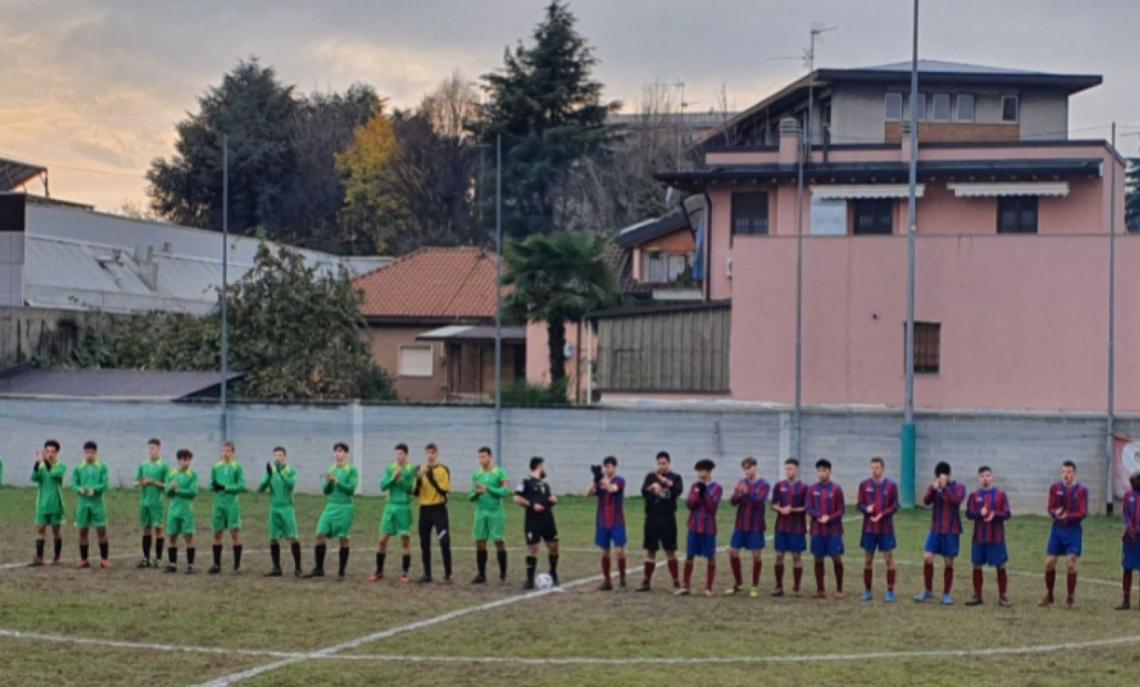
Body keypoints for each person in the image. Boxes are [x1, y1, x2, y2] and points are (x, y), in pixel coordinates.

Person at [914, 461, 966, 605]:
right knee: (927, 557)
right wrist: (932, 488)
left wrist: (946, 489)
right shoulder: (935, 486)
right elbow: (925, 501)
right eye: (937, 477)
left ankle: (946, 594)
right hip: (935, 529)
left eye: (942, 477)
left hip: (951, 530)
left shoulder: (960, 487)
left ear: (949, 476)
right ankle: (928, 590)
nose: (940, 479)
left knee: (949, 562)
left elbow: (956, 501)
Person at [1041, 460, 1088, 609]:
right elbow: (1050, 507)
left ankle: (1070, 598)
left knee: (1071, 564)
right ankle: (1049, 595)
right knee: (1049, 563)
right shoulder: (1055, 488)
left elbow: (1083, 512)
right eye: (1063, 472)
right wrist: (1056, 513)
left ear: (1074, 473)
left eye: (1068, 472)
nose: (1065, 475)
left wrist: (1067, 516)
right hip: (1057, 530)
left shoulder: (1081, 490)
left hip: (1073, 530)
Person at [307, 442, 358, 580]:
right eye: (336, 451)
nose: (337, 454)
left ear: (346, 454)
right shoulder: (331, 468)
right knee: (319, 533)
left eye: (340, 451)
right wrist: (329, 482)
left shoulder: (351, 470)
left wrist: (337, 482)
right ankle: (319, 568)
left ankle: (341, 572)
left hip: (345, 507)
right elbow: (326, 491)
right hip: (331, 505)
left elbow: (351, 489)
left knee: (344, 538)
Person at [965, 465, 1012, 607]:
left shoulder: (1000, 495)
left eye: (987, 475)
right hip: (979, 538)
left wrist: (994, 515)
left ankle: (1003, 596)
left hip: (996, 538)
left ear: (992, 477)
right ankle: (977, 596)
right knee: (976, 565)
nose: (985, 478)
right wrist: (980, 513)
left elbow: (1007, 514)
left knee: (1001, 565)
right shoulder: (974, 496)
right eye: (982, 476)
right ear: (979, 479)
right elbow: (968, 514)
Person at [371, 443, 416, 584]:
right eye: (396, 454)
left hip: (403, 507)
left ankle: (405, 573)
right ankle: (379, 571)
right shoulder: (390, 468)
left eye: (401, 454)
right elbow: (383, 486)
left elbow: (410, 489)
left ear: (406, 455)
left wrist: (401, 479)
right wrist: (392, 478)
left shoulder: (411, 469)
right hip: (390, 506)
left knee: (405, 540)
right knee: (382, 540)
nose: (398, 457)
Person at [638, 451, 683, 592]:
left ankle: (676, 580)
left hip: (668, 517)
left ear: (669, 463)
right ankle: (646, 581)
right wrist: (652, 487)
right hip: (652, 517)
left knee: (670, 550)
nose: (661, 466)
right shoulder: (650, 477)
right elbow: (643, 492)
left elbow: (677, 491)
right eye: (659, 463)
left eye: (664, 463)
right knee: (651, 550)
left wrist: (664, 482)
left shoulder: (676, 477)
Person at [725, 457, 769, 598]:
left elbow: (759, 501)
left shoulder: (764, 484)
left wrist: (747, 493)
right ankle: (738, 584)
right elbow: (732, 502)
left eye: (749, 468)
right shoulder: (741, 483)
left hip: (755, 526)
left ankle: (754, 586)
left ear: (755, 467)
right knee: (733, 552)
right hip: (741, 525)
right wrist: (737, 493)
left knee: (756, 555)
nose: (747, 471)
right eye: (745, 469)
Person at [514, 456, 560, 590]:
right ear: (539, 466)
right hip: (533, 521)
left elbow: (547, 502)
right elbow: (517, 498)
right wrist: (532, 505)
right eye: (544, 466)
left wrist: (552, 500)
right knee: (533, 548)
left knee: (554, 546)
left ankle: (553, 572)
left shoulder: (545, 485)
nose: (545, 469)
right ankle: (529, 580)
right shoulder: (525, 482)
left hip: (547, 519)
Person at [678, 458, 722, 597]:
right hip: (694, 525)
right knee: (689, 556)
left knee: (711, 557)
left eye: (702, 471)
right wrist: (698, 494)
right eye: (698, 471)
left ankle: (708, 587)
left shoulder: (716, 488)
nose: (700, 474)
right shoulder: (695, 486)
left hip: (708, 527)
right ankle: (686, 586)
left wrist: (705, 494)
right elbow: (690, 504)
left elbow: (712, 507)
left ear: (709, 472)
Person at [857, 457, 899, 602]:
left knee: (889, 560)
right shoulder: (864, 485)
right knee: (868, 561)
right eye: (872, 468)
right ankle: (868, 591)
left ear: (883, 469)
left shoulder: (891, 486)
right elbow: (859, 505)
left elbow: (895, 506)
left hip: (885, 529)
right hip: (869, 529)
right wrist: (866, 509)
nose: (874, 471)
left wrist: (883, 514)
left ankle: (890, 591)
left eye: (877, 468)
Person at [257, 446, 302, 577]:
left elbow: (290, 485)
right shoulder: (271, 472)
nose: (278, 458)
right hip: (274, 508)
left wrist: (280, 473)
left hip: (287, 507)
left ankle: (298, 567)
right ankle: (276, 567)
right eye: (276, 455)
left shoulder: (290, 470)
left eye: (280, 455)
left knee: (293, 537)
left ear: (285, 457)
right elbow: (261, 488)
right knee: (273, 538)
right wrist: (268, 476)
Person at [469, 447, 510, 584]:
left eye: (484, 456)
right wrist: (476, 494)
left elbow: (505, 491)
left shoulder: (500, 472)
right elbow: (470, 496)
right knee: (480, 542)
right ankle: (481, 574)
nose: (482, 460)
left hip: (495, 512)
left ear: (490, 457)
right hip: (480, 513)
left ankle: (503, 575)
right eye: (480, 457)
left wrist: (489, 489)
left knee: (499, 541)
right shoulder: (477, 475)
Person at [807, 459, 846, 599]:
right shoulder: (812, 489)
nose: (821, 473)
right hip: (817, 530)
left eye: (824, 470)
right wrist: (818, 516)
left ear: (830, 471)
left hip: (834, 530)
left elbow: (841, 510)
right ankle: (820, 590)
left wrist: (829, 518)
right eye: (819, 470)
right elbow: (809, 507)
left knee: (837, 559)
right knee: (818, 559)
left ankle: (839, 589)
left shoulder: (836, 489)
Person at [414, 442, 452, 584]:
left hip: (439, 509)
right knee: (424, 543)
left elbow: (444, 491)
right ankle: (427, 573)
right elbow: (415, 493)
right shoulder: (419, 469)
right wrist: (418, 480)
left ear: (437, 454)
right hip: (424, 510)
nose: (430, 456)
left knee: (444, 541)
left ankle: (448, 572)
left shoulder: (443, 470)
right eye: (428, 453)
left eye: (432, 452)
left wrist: (430, 477)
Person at [587, 456, 627, 591]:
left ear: (615, 467)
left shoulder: (620, 480)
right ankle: (607, 581)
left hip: (617, 521)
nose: (607, 469)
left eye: (609, 467)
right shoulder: (600, 482)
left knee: (619, 550)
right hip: (602, 521)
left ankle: (622, 578)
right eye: (605, 467)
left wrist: (602, 479)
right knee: (605, 552)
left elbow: (612, 489)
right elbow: (587, 494)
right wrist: (594, 480)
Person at [770, 457, 808, 596]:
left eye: (790, 468)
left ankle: (797, 588)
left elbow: (807, 507)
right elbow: (773, 503)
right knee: (779, 555)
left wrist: (791, 510)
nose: (788, 471)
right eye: (786, 468)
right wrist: (780, 509)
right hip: (781, 527)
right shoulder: (779, 485)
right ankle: (779, 586)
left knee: (796, 556)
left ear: (796, 470)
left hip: (797, 527)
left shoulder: (804, 487)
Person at [208, 441, 247, 575]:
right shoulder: (216, 466)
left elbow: (242, 486)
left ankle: (237, 567)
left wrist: (226, 487)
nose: (225, 453)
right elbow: (210, 485)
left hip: (232, 503)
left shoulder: (237, 467)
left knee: (234, 533)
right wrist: (214, 486)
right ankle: (216, 565)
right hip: (218, 503)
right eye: (223, 451)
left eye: (228, 451)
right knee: (217, 533)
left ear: (233, 452)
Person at [71, 441, 111, 570]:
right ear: (84, 453)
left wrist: (95, 490)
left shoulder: (102, 467)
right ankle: (84, 560)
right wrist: (80, 489)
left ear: (96, 453)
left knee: (101, 530)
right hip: (83, 504)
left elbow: (105, 483)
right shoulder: (78, 468)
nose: (89, 455)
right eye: (87, 452)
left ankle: (104, 559)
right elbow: (73, 483)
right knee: (83, 531)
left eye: (92, 453)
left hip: (97, 503)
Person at [135, 438, 170, 568]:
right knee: (146, 530)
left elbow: (166, 485)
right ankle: (146, 558)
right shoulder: (143, 464)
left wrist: (153, 482)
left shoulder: (164, 466)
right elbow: (135, 482)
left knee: (158, 529)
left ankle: (159, 559)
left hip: (157, 502)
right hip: (145, 502)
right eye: (149, 448)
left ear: (159, 449)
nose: (151, 451)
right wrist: (141, 483)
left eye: (153, 448)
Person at [30, 440, 66, 567]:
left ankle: (57, 557)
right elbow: (34, 478)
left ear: (57, 453)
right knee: (40, 529)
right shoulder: (41, 466)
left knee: (56, 530)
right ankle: (39, 557)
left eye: (52, 452)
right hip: (42, 503)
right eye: (47, 451)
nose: (50, 454)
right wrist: (36, 463)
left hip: (55, 503)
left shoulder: (61, 466)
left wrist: (45, 462)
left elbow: (56, 475)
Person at [164, 449, 199, 574]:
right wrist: (171, 488)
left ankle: (190, 566)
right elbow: (167, 492)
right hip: (173, 509)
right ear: (179, 460)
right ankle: (172, 564)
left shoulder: (193, 475)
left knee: (188, 536)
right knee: (172, 536)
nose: (185, 462)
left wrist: (179, 490)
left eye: (187, 459)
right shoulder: (171, 473)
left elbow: (194, 492)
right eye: (183, 459)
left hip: (186, 510)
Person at [1117, 471, 1140, 611]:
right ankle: (1126, 600)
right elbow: (1125, 514)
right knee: (1127, 568)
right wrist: (1129, 527)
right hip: (1130, 539)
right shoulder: (1129, 496)